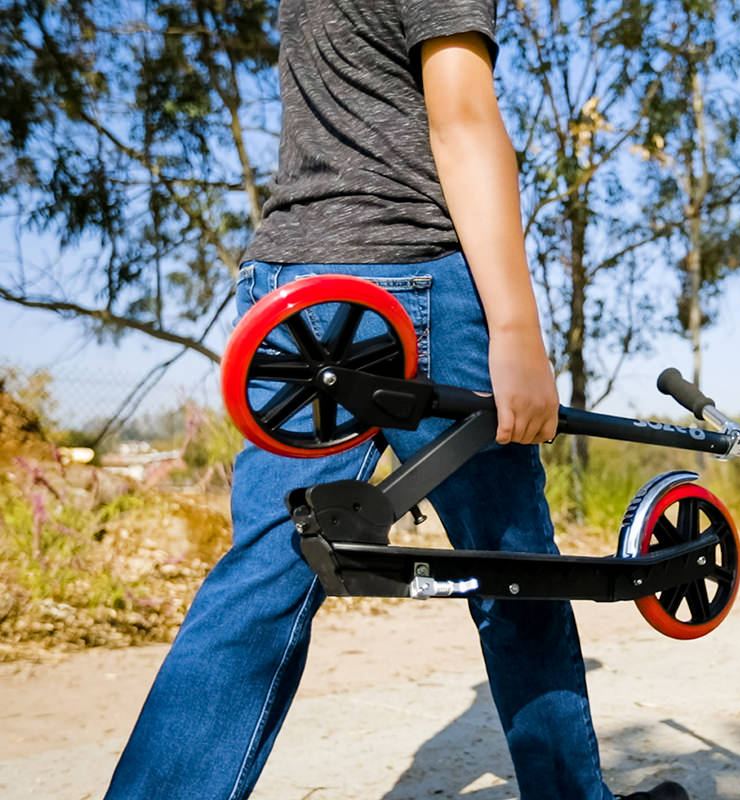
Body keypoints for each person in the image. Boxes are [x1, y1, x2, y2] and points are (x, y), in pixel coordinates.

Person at [103, 2, 687, 799]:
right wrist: (517, 329)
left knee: (266, 573)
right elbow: (463, 119)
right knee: (516, 570)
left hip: (294, 287)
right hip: (412, 278)